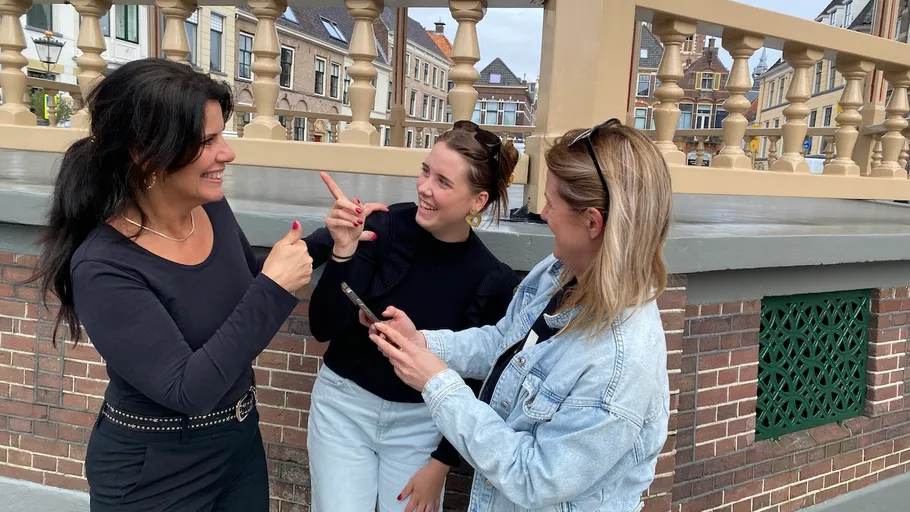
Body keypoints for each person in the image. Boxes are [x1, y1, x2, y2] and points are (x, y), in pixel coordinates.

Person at [29, 58, 343, 511]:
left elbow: (241, 287)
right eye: (207, 141)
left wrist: (328, 238)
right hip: (154, 473)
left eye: (223, 136)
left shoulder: (209, 208)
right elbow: (186, 390)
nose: (227, 153)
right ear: (144, 153)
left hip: (237, 447)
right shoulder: (103, 266)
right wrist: (275, 290)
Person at [367, 119, 673, 511]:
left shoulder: (619, 363)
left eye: (551, 203)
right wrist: (424, 342)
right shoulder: (556, 273)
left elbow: (535, 477)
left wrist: (438, 383)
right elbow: (503, 340)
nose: (543, 214)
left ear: (592, 222)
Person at [305, 121, 522, 512]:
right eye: (425, 171)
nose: (424, 187)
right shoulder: (384, 227)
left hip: (421, 424)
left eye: (443, 181)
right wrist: (342, 253)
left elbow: (478, 381)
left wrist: (441, 464)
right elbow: (322, 327)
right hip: (343, 406)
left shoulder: (489, 277)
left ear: (477, 200)